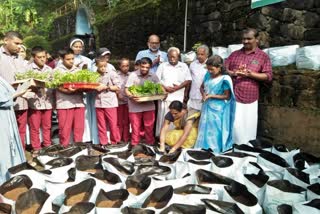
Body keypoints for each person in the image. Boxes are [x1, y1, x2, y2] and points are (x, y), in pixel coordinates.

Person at [225, 28, 272, 145]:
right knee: (235, 125)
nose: (245, 41)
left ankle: (247, 149)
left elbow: (268, 76)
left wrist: (251, 74)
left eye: (249, 39)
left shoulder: (262, 56)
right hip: (233, 96)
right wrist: (234, 73)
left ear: (257, 39)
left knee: (248, 126)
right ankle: (233, 147)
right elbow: (224, 69)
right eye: (244, 39)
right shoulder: (234, 54)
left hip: (250, 97)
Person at [194, 55, 236, 153]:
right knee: (204, 128)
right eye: (208, 69)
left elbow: (227, 96)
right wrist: (203, 94)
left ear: (219, 67)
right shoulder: (207, 75)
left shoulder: (225, 79)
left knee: (214, 130)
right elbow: (201, 87)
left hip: (218, 109)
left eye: (212, 69)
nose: (209, 71)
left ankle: (214, 150)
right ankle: (203, 149)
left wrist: (211, 96)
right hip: (206, 106)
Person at [0, 31, 28, 149]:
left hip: (22, 99)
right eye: (16, 43)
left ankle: (20, 156)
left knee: (21, 130)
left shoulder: (20, 58)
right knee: (5, 131)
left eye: (21, 44)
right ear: (6, 40)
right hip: (4, 102)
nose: (19, 47)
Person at [155, 47, 191, 136]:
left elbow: (188, 80)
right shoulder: (162, 65)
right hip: (165, 95)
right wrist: (165, 88)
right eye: (170, 57)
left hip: (178, 96)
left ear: (178, 56)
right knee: (163, 116)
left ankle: (172, 137)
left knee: (176, 116)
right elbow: (156, 80)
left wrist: (177, 87)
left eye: (174, 57)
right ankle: (161, 136)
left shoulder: (184, 66)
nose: (172, 59)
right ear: (167, 56)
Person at [125, 57, 160, 146]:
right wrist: (131, 96)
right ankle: (134, 145)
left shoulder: (153, 76)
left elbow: (159, 88)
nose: (144, 69)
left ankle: (150, 144)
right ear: (139, 66)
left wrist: (162, 93)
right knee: (135, 127)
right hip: (135, 106)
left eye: (147, 67)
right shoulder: (133, 75)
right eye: (143, 67)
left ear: (150, 67)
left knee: (149, 126)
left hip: (149, 105)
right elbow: (127, 89)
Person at [25, 46, 53, 153]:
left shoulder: (49, 70)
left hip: (47, 102)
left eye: (44, 57)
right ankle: (36, 148)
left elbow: (53, 85)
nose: (42, 59)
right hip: (34, 103)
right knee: (35, 127)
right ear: (33, 57)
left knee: (47, 126)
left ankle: (47, 146)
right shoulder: (28, 70)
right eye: (39, 57)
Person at [54, 48, 85, 147]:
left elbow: (83, 84)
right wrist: (67, 91)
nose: (71, 61)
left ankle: (79, 149)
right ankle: (65, 150)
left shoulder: (78, 70)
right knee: (64, 130)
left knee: (79, 129)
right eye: (68, 59)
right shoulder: (56, 71)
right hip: (64, 104)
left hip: (78, 103)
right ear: (61, 59)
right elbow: (56, 86)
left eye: (72, 58)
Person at [0, 76, 26, 184]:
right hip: (2, 118)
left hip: (8, 116)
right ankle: (4, 179)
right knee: (3, 147)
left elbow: (7, 93)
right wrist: (18, 93)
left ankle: (13, 174)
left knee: (11, 146)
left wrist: (17, 88)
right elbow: (3, 100)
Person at [95, 57, 121, 145]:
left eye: (104, 66)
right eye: (100, 66)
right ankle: (103, 143)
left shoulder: (112, 73)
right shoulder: (94, 75)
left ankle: (115, 142)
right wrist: (94, 87)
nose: (103, 68)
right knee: (101, 125)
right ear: (96, 66)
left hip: (110, 103)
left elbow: (118, 87)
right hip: (99, 103)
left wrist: (107, 87)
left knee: (113, 124)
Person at [188, 44, 210, 112]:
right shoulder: (193, 64)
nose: (199, 56)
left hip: (206, 97)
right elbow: (190, 80)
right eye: (198, 54)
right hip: (193, 96)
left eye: (202, 54)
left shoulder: (211, 64)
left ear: (207, 54)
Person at [117, 58, 131, 143]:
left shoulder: (131, 75)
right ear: (119, 66)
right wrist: (118, 94)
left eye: (127, 66)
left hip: (128, 102)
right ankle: (118, 138)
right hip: (118, 102)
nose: (125, 68)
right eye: (123, 66)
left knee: (127, 121)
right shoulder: (116, 75)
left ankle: (126, 138)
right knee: (119, 121)